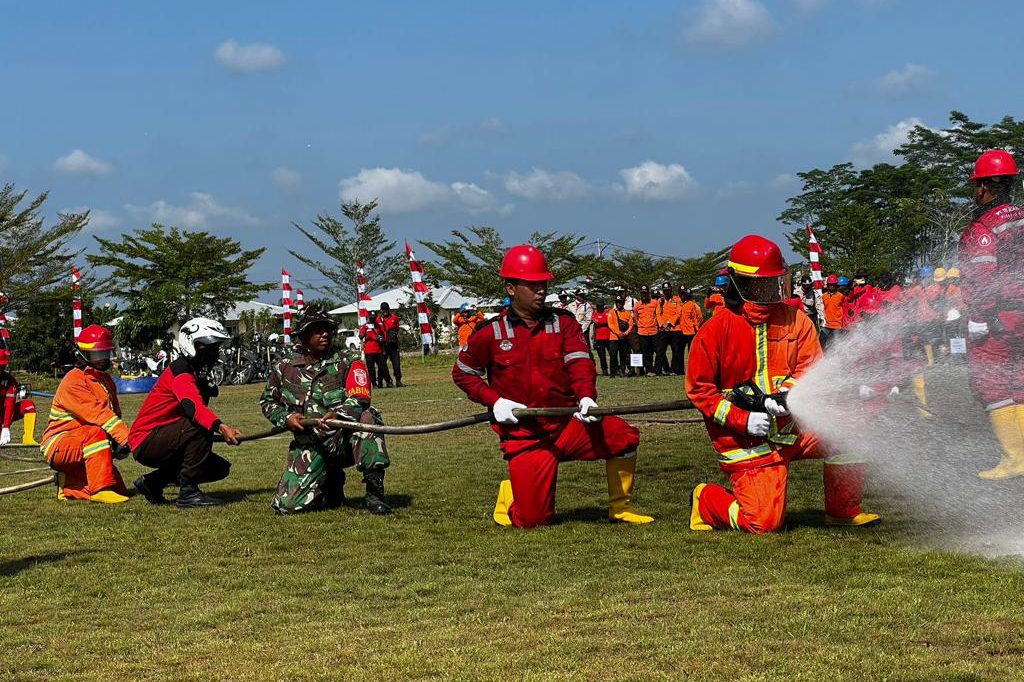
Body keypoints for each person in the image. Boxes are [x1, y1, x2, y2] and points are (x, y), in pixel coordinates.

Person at [687, 235, 879, 534]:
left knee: (849, 429)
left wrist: (786, 394)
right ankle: (705, 500)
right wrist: (744, 419)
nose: (771, 292)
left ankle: (843, 510)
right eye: (761, 285)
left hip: (794, 428)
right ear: (739, 285)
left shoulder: (797, 320)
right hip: (746, 440)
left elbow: (809, 367)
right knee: (762, 523)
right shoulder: (715, 330)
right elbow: (700, 391)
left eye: (775, 283)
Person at [452, 244, 653, 528]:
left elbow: (580, 364)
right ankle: (511, 496)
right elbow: (463, 373)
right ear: (511, 288)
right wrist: (494, 401)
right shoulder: (490, 332)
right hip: (526, 437)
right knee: (533, 520)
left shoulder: (565, 324)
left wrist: (586, 397)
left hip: (568, 424)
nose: (541, 291)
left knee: (624, 436)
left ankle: (621, 508)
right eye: (532, 285)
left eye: (544, 284)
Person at [260, 308, 391, 515]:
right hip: (310, 443)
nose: (325, 334)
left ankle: (375, 494)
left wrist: (338, 414)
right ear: (303, 335)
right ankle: (330, 484)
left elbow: (361, 397)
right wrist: (287, 418)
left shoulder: (348, 360)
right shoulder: (285, 368)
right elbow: (268, 401)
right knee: (288, 506)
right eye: (317, 330)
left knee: (368, 418)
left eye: (328, 329)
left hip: (343, 438)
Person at [958, 150, 1024, 479]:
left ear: (984, 187)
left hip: (997, 316)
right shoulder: (1022, 216)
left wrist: (979, 315)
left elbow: (983, 274)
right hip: (1021, 316)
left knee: (992, 384)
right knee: (1019, 384)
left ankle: (1014, 459)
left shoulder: (984, 226)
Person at [130, 317, 243, 508]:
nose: (216, 352)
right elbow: (194, 408)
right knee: (199, 424)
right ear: (195, 345)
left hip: (160, 437)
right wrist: (221, 427)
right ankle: (188, 493)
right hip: (146, 440)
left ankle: (152, 483)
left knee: (217, 468)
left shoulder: (195, 371)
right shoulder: (181, 372)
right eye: (212, 347)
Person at [41, 324, 131, 503]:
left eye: (106, 353)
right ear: (83, 354)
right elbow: (100, 415)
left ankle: (68, 485)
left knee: (120, 489)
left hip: (86, 442)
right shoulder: (74, 380)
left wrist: (115, 443)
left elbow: (114, 414)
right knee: (94, 433)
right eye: (98, 354)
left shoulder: (105, 380)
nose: (103, 359)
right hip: (61, 443)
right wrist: (128, 440)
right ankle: (100, 490)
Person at [0, 349, 38, 446]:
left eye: (2, 366)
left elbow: (9, 404)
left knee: (28, 406)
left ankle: (28, 438)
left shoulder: (10, 380)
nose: (2, 368)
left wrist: (6, 427)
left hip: (5, 414)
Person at [374, 302, 404, 387]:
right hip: (382, 345)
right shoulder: (378, 319)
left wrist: (394, 337)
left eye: (386, 310)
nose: (385, 312)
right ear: (381, 310)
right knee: (382, 365)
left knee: (396, 364)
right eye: (383, 310)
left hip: (393, 345)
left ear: (389, 309)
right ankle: (381, 381)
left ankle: (398, 381)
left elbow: (397, 329)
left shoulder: (394, 318)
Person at [655, 283, 682, 375]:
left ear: (671, 290)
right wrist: (663, 325)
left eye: (668, 290)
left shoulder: (677, 299)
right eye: (665, 290)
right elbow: (658, 314)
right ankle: (658, 370)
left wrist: (669, 323)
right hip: (663, 329)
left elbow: (678, 313)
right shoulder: (660, 300)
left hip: (674, 329)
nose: (666, 292)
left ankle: (674, 370)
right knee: (660, 351)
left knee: (676, 350)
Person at [675, 288, 703, 374]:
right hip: (680, 331)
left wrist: (697, 329)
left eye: (685, 294)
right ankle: (679, 370)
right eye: (681, 294)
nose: (683, 296)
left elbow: (696, 318)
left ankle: (692, 370)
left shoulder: (692, 305)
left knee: (691, 353)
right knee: (679, 352)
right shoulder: (678, 304)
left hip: (690, 331)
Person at [607, 296, 635, 377]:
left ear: (623, 303)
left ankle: (622, 371)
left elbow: (631, 325)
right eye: (617, 302)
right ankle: (613, 372)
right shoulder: (611, 312)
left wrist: (625, 333)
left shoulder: (627, 313)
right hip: (614, 338)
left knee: (623, 355)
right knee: (613, 355)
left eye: (621, 302)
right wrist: (618, 333)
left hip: (624, 338)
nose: (619, 303)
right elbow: (610, 324)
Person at [634, 285, 659, 376]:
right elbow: (636, 319)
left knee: (658, 351)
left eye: (645, 293)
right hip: (642, 332)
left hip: (654, 331)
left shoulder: (655, 303)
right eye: (642, 293)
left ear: (648, 293)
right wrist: (641, 326)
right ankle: (649, 370)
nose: (644, 295)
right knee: (646, 352)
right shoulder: (637, 305)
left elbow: (657, 316)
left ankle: (657, 370)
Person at [359, 320, 391, 388]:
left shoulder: (379, 326)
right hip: (369, 351)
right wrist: (365, 329)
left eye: (374, 318)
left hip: (379, 350)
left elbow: (383, 337)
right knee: (371, 369)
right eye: (371, 318)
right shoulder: (364, 326)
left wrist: (383, 345)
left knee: (383, 367)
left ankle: (388, 382)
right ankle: (374, 384)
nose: (372, 320)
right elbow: (360, 336)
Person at [821, 274, 845, 347]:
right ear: (828, 285)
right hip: (827, 325)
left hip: (837, 325)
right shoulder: (824, 296)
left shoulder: (841, 296)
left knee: (836, 344)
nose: (832, 286)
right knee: (821, 342)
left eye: (833, 284)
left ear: (836, 285)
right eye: (830, 284)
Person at [591, 301, 611, 375]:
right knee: (601, 355)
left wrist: (600, 322)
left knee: (612, 353)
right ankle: (604, 370)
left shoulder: (608, 312)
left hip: (608, 336)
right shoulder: (594, 313)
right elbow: (595, 322)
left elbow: (605, 321)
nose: (600, 307)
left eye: (601, 306)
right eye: (598, 306)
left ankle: (614, 369)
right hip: (599, 337)